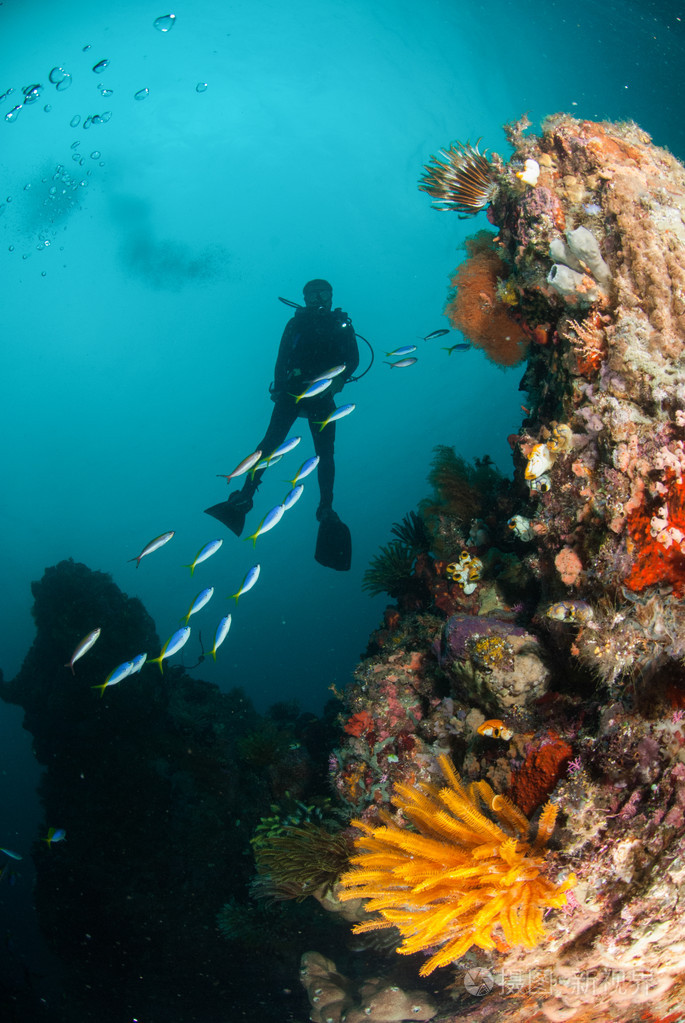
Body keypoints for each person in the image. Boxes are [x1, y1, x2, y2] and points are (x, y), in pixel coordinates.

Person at [206, 279, 359, 564]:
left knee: (325, 453)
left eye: (323, 293)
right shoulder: (295, 324)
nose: (318, 299)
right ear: (305, 298)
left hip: (323, 395)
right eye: (312, 295)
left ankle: (326, 508)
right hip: (291, 391)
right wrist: (279, 387)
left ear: (331, 296)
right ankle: (245, 496)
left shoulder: (342, 324)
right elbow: (282, 357)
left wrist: (340, 379)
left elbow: (353, 359)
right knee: (269, 443)